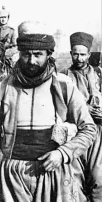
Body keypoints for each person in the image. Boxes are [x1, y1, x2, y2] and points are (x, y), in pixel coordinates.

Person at [0, 21, 97, 202]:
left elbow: (89, 129)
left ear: (49, 54)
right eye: (26, 54)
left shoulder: (63, 86)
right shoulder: (1, 90)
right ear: (19, 54)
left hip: (53, 174)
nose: (32, 60)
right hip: (13, 178)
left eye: (38, 54)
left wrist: (63, 154)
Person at [60, 32, 102, 201]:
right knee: (74, 179)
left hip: (98, 133)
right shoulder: (63, 76)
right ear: (71, 53)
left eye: (83, 54)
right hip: (74, 133)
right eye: (75, 54)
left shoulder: (99, 74)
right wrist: (83, 109)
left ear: (89, 55)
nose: (79, 58)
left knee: (98, 176)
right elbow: (60, 104)